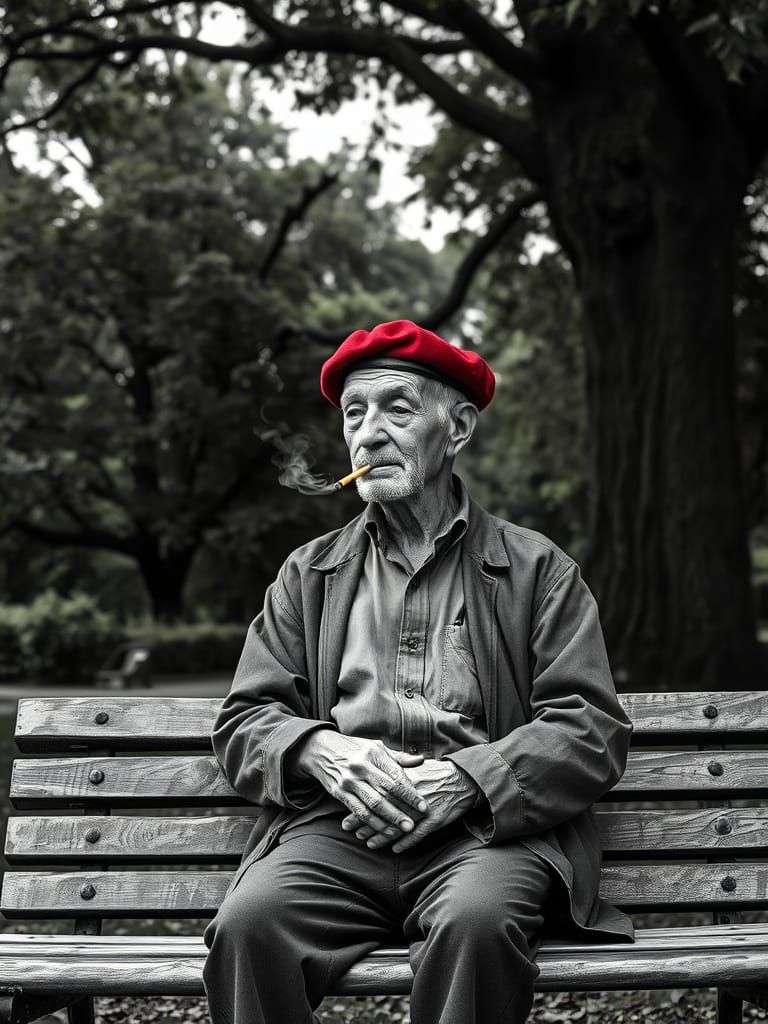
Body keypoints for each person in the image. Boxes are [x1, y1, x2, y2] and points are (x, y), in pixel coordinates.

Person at [203, 319, 634, 1024]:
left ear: (456, 428)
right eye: (354, 413)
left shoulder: (538, 570)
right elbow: (245, 722)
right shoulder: (308, 574)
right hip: (340, 834)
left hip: (484, 838)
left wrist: (468, 780)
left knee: (477, 923)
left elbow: (589, 730)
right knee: (249, 926)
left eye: (397, 409)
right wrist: (319, 749)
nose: (368, 434)